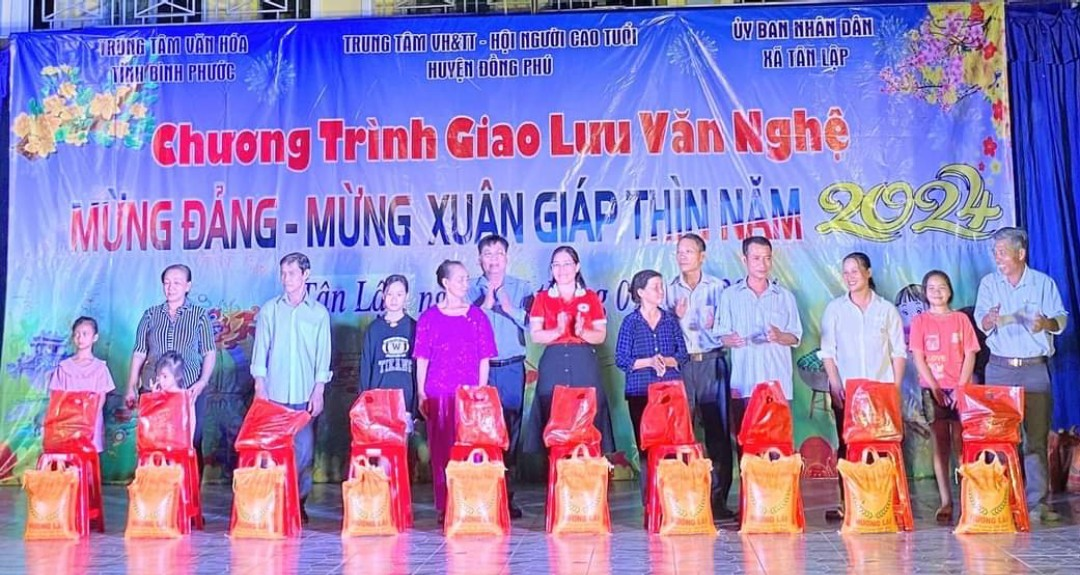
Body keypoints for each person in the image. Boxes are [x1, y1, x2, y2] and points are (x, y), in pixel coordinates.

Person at [974, 227, 1068, 524]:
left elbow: (1061, 319)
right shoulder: (989, 283)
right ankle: (1001, 502)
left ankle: (1036, 504)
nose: (997, 258)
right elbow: (981, 320)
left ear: (1021, 253)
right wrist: (988, 319)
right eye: (995, 252)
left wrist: (1046, 324)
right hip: (999, 369)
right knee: (1000, 438)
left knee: (1035, 440)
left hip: (1034, 369)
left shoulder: (1043, 283)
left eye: (1002, 252)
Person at [819, 251, 906, 522]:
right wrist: (835, 385)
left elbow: (898, 352)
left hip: (880, 392)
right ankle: (848, 503)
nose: (850, 277)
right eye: (845, 272)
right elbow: (828, 352)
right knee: (848, 446)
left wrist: (894, 389)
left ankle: (881, 502)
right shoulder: (835, 309)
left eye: (855, 271)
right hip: (848, 391)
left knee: (882, 447)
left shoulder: (886, 310)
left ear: (868, 273)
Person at [250, 252, 333, 524]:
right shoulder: (270, 310)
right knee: (272, 451)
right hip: (274, 394)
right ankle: (274, 501)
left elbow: (323, 356)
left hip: (304, 395)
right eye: (283, 273)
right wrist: (260, 385)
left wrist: (318, 391)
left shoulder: (318, 313)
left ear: (305, 275)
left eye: (292, 273)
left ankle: (298, 502)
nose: (286, 279)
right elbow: (260, 351)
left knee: (304, 453)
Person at [414, 260, 497, 525]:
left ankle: (470, 502)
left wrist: (480, 390)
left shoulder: (477, 317)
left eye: (466, 278)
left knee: (469, 449)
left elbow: (485, 358)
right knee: (441, 451)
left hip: (469, 395)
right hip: (438, 393)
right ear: (445, 283)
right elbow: (422, 359)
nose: (465, 283)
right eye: (460, 279)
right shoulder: (429, 318)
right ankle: (445, 505)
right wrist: (421, 392)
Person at [664, 233, 732, 516]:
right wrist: (673, 316)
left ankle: (718, 500)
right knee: (680, 432)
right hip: (681, 366)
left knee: (717, 432)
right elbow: (662, 331)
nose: (683, 256)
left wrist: (719, 324)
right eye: (680, 251)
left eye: (689, 251)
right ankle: (683, 499)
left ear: (702, 256)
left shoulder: (719, 288)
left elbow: (731, 328)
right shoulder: (669, 290)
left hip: (711, 362)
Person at [467, 234, 535, 519]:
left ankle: (507, 495)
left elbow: (533, 324)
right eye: (488, 254)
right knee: (479, 432)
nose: (493, 260)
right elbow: (462, 327)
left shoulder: (522, 288)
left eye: (498, 254)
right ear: (479, 260)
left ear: (507, 258)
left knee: (510, 432)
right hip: (479, 369)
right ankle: (481, 496)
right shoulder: (469, 289)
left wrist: (509, 308)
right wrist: (484, 304)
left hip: (511, 368)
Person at [525, 246, 615, 460]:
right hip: (554, 362)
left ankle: (591, 469)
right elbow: (536, 335)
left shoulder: (590, 298)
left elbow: (600, 336)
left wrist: (582, 332)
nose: (562, 269)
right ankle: (555, 470)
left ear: (577, 267)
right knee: (552, 413)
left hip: (583, 360)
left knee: (589, 411)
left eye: (567, 264)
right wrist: (557, 331)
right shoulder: (542, 298)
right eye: (556, 265)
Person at [125, 264, 216, 472]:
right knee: (152, 441)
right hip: (154, 389)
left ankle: (189, 489)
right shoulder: (150, 315)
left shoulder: (200, 315)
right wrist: (131, 385)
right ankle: (153, 486)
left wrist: (202, 382)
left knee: (191, 440)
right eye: (167, 283)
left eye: (177, 283)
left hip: (189, 389)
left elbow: (209, 352)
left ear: (188, 286)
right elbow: (139, 352)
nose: (171, 287)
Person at [717, 236, 803, 456]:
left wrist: (779, 336)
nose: (762, 264)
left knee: (779, 449)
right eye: (756, 258)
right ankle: (748, 481)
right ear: (744, 259)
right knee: (747, 449)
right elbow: (720, 335)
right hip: (744, 384)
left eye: (767, 258)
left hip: (778, 386)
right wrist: (730, 339)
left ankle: (781, 480)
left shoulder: (785, 297)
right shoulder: (729, 296)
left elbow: (795, 337)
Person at [909, 270, 979, 524]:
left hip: (960, 388)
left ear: (950, 290)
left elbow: (971, 353)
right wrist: (934, 386)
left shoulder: (961, 319)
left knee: (962, 444)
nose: (937, 292)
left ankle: (968, 498)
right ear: (925, 293)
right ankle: (946, 501)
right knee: (940, 445)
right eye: (931, 288)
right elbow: (918, 357)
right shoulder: (920, 321)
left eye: (941, 287)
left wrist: (961, 386)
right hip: (932, 389)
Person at [615, 269, 688, 502]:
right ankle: (651, 501)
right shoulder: (631, 323)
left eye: (661, 286)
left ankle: (674, 499)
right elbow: (621, 360)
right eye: (655, 287)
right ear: (640, 292)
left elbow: (683, 355)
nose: (660, 291)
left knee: (672, 446)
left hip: (669, 393)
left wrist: (666, 360)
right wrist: (649, 362)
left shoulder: (670, 320)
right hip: (641, 392)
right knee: (646, 446)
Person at [48, 316, 116, 453]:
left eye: (85, 334)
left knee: (89, 458)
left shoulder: (100, 368)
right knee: (68, 459)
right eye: (77, 334)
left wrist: (88, 419)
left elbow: (101, 398)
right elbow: (56, 398)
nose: (80, 338)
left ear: (95, 337)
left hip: (91, 423)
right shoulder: (64, 367)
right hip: (68, 423)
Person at [360, 275, 417, 418]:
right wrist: (364, 404)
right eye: (390, 294)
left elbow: (419, 370)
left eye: (399, 294)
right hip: (378, 405)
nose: (394, 299)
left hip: (405, 404)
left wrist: (415, 408)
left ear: (406, 297)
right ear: (383, 296)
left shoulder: (415, 328)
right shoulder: (374, 329)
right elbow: (365, 369)